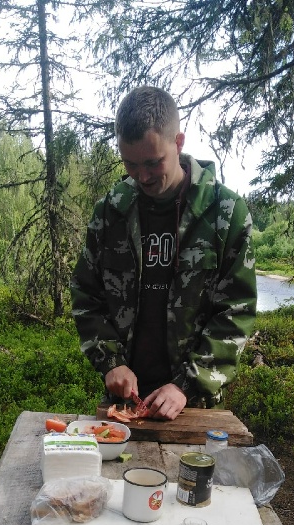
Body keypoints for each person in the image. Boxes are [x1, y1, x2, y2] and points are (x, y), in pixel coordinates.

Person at [70, 86, 256, 420]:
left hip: (194, 404)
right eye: (131, 164)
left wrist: (187, 384)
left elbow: (236, 312)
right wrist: (112, 362)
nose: (142, 176)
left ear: (178, 143)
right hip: (125, 400)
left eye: (153, 163)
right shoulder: (111, 212)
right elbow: (87, 295)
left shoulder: (224, 213)